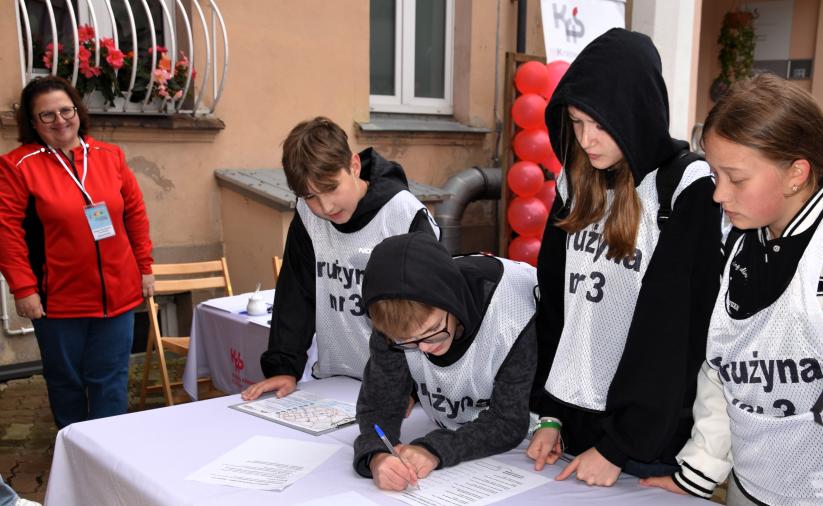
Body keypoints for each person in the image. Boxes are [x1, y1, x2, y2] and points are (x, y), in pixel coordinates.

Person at [528, 28, 723, 486]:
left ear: (637, 113)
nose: (587, 139)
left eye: (600, 124)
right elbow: (557, 309)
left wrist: (619, 445)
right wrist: (551, 415)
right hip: (575, 427)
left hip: (643, 444)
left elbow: (672, 336)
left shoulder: (684, 188)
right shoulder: (573, 182)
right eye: (576, 123)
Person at [640, 74, 823, 505]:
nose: (719, 193)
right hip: (748, 485)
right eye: (714, 174)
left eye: (736, 179)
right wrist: (698, 473)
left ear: (796, 173)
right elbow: (723, 371)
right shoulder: (736, 241)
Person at [241, 117, 438, 401]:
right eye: (310, 196)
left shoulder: (403, 214)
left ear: (354, 166)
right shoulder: (309, 217)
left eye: (332, 188)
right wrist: (284, 367)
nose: (325, 207)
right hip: (335, 385)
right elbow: (295, 296)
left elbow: (431, 311)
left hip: (401, 389)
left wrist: (411, 385)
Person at [0, 76, 154, 429]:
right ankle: (74, 454)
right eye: (47, 115)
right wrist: (23, 288)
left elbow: (135, 214)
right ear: (32, 122)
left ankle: (111, 454)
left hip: (118, 295)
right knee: (67, 383)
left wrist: (145, 267)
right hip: (58, 301)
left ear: (78, 111)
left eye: (65, 110)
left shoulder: (110, 156)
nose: (60, 121)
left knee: (111, 380)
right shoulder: (18, 166)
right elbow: (7, 234)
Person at [352, 232, 538, 491]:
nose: (426, 348)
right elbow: (379, 405)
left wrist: (435, 448)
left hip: (535, 444)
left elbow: (508, 421)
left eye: (434, 330)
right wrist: (376, 454)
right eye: (410, 343)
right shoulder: (394, 321)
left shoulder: (512, 313)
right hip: (455, 420)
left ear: (452, 299)